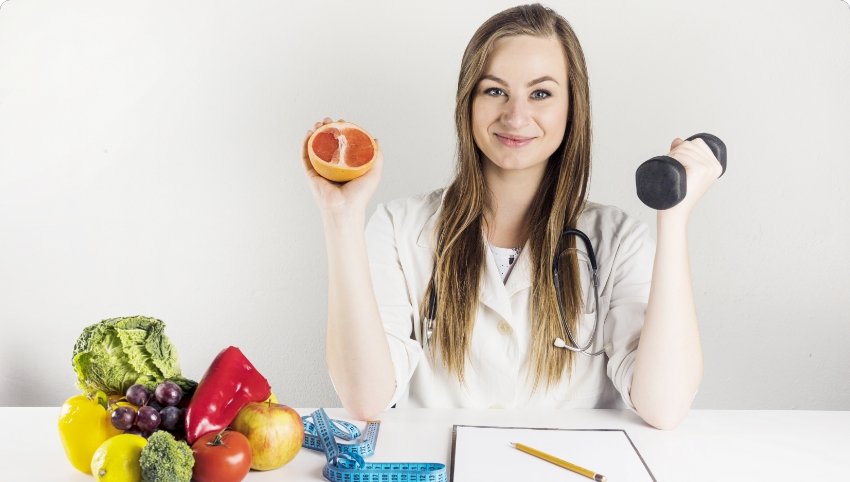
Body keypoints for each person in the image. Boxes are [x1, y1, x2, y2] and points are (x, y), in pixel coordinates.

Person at [300, 3, 721, 430]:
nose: (515, 116)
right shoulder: (397, 228)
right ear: (468, 101)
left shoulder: (618, 240)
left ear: (572, 107)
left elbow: (663, 406)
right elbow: (366, 398)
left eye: (541, 94)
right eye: (494, 91)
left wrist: (674, 219)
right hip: (440, 463)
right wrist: (341, 216)